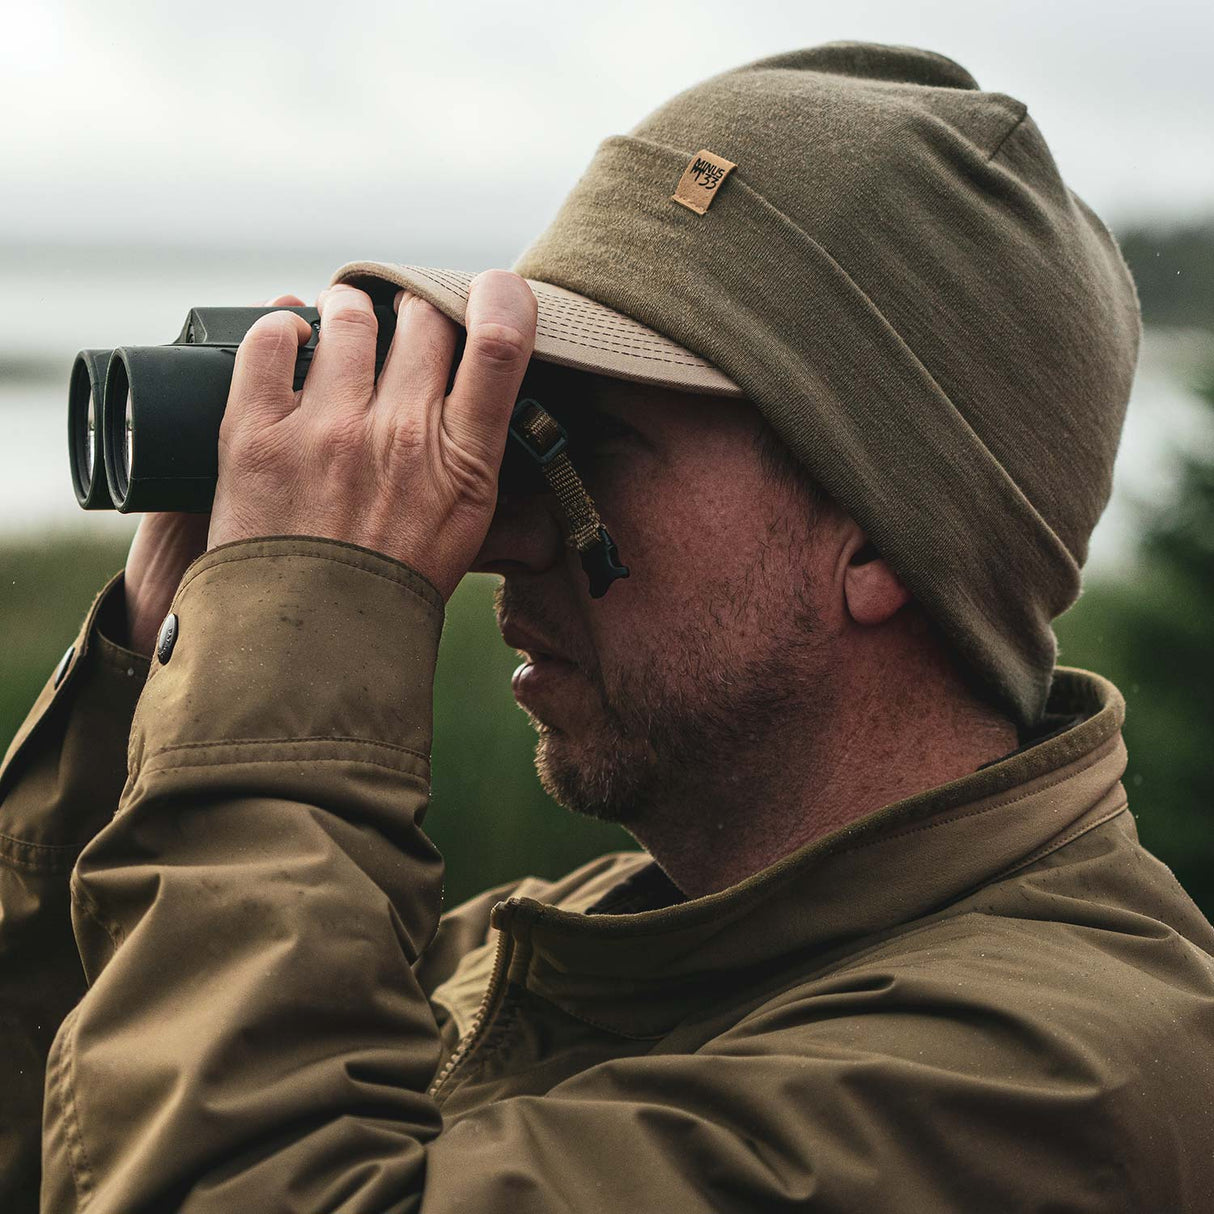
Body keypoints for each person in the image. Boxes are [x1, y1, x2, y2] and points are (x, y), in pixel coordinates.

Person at [2, 40, 1213, 1213]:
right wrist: (168, 665)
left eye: (584, 447)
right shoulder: (584, 949)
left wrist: (294, 643)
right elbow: (66, 1134)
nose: (503, 536)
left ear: (881, 543)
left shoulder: (1043, 1078)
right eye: (521, 428)